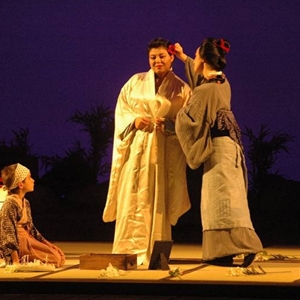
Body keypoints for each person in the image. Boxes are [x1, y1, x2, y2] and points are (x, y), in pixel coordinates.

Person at [174, 38, 263, 267]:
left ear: (203, 59)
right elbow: (200, 78)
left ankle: (228, 251)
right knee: (233, 199)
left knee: (219, 201)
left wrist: (178, 113)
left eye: (196, 55)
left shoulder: (204, 91)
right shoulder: (223, 82)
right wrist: (183, 57)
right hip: (231, 147)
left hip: (217, 150)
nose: (193, 59)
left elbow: (188, 121)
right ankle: (240, 246)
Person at [102, 37, 191, 265]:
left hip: (162, 151)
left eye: (162, 56)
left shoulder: (182, 88)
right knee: (130, 194)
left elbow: (187, 121)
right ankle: (126, 251)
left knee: (157, 196)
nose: (157, 61)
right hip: (136, 149)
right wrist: (134, 121)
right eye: (153, 57)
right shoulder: (135, 81)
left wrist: (169, 126)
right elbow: (122, 111)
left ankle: (154, 252)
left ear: (171, 57)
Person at [0, 163, 65, 267]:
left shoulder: (25, 202)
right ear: (20, 184)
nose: (33, 180)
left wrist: (47, 244)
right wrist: (15, 261)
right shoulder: (10, 204)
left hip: (27, 239)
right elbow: (8, 233)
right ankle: (16, 258)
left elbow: (31, 228)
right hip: (19, 243)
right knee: (55, 259)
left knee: (60, 257)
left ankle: (27, 257)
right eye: (29, 178)